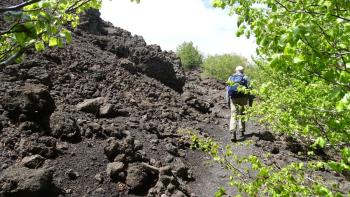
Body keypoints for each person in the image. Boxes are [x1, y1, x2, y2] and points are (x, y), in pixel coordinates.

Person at [226, 66, 251, 142]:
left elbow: (227, 91)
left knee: (234, 114)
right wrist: (250, 102)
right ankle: (241, 131)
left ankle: (233, 132)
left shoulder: (230, 78)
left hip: (234, 99)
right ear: (243, 71)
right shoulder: (246, 77)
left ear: (235, 70)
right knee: (242, 113)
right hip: (243, 98)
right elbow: (250, 90)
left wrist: (228, 101)